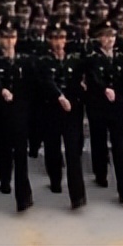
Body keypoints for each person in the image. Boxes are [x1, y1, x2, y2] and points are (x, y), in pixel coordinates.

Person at [37, 22, 87, 210]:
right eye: (55, 38)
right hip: (51, 110)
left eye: (62, 38)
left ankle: (78, 195)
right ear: (50, 40)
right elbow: (46, 82)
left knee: (73, 152)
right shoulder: (44, 61)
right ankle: (55, 180)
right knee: (52, 148)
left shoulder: (74, 60)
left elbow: (78, 80)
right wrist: (59, 96)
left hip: (71, 111)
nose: (59, 42)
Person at [84, 20, 123, 205]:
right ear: (99, 38)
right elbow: (94, 79)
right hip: (99, 107)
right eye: (106, 36)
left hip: (118, 107)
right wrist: (105, 88)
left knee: (120, 147)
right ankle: (100, 174)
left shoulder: (121, 57)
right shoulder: (93, 58)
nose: (110, 39)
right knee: (99, 142)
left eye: (112, 35)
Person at [0, 20, 34, 212]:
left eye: (12, 37)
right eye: (5, 37)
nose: (9, 41)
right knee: (2, 152)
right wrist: (1, 91)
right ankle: (4, 179)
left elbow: (30, 87)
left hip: (19, 113)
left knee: (21, 155)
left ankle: (23, 195)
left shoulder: (24, 62)